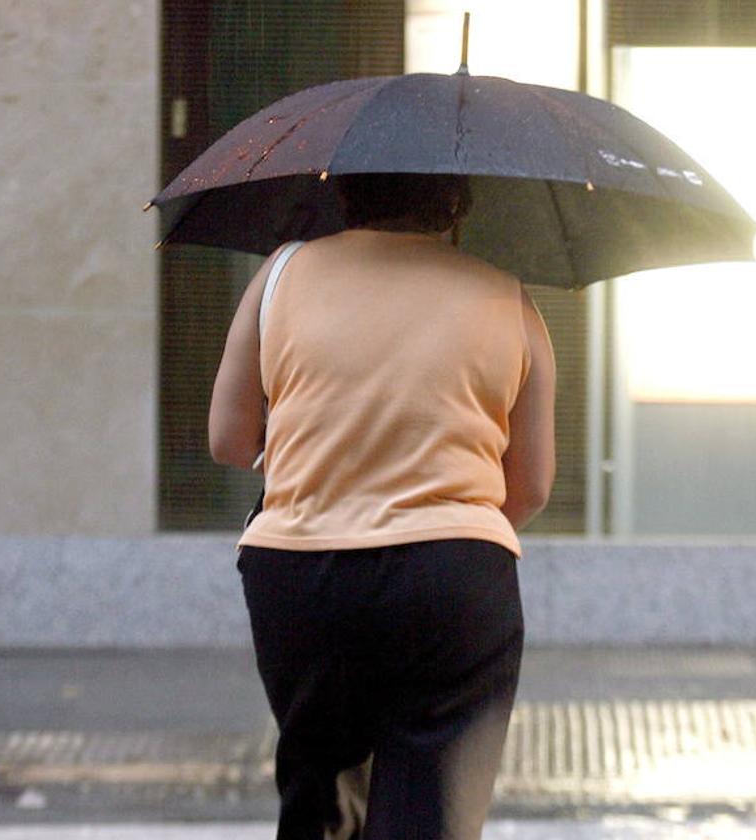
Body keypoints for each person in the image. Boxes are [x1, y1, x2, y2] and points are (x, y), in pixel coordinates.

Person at [208, 172, 556, 840]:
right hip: (453, 577)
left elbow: (229, 438)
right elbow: (532, 484)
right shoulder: (506, 295)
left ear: (344, 195)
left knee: (321, 798)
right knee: (432, 813)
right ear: (456, 204)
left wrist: (321, 467)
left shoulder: (280, 275)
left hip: (300, 573)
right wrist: (450, 527)